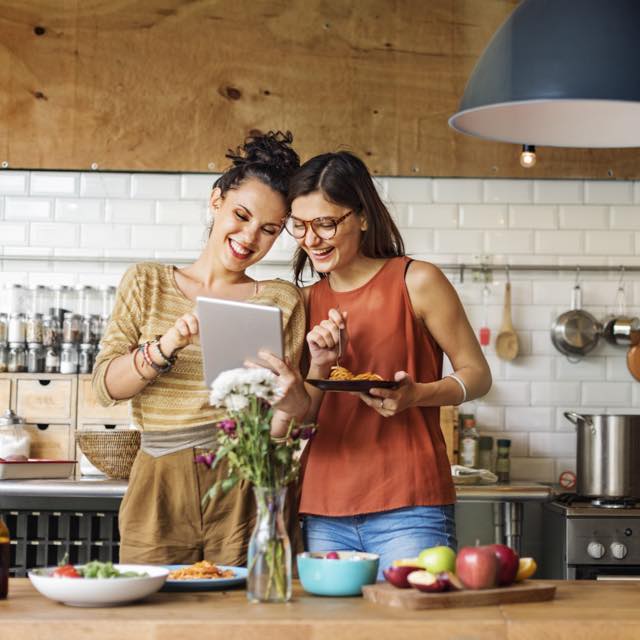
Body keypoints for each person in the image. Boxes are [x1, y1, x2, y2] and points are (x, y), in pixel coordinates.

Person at [92, 131, 310, 565]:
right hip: (159, 477)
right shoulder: (147, 282)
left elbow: (280, 421)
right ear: (216, 202)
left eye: (269, 230)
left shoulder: (282, 298)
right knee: (152, 621)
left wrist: (291, 400)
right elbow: (105, 388)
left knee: (248, 623)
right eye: (241, 215)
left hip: (246, 478)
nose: (249, 237)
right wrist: (167, 344)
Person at [285, 151, 492, 574]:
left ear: (361, 216)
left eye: (326, 223)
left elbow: (478, 374)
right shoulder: (304, 302)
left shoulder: (417, 281)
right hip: (324, 505)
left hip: (409, 503)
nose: (312, 239)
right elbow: (303, 417)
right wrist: (320, 367)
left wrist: (418, 395)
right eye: (300, 226)